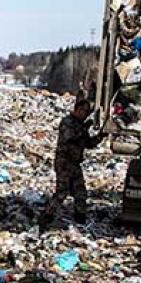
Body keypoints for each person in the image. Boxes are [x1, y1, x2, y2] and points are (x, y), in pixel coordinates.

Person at [40, 86, 103, 227]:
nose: (86, 115)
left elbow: (88, 143)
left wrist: (100, 137)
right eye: (84, 112)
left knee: (80, 193)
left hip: (75, 164)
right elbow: (70, 137)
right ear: (78, 110)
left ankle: (80, 217)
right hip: (64, 162)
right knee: (61, 193)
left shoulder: (80, 125)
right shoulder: (67, 122)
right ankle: (47, 217)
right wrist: (84, 128)